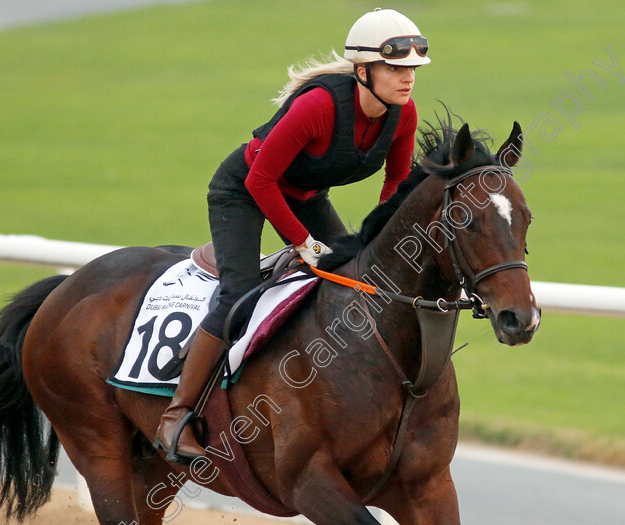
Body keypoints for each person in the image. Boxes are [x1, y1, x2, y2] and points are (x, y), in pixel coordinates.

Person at [154, 8, 431, 463]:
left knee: (353, 279)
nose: (408, 79)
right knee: (237, 293)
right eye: (396, 68)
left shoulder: (403, 114)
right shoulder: (318, 105)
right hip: (243, 190)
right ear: (363, 71)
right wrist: (304, 242)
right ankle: (176, 416)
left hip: (304, 193)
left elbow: (395, 188)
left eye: (412, 70)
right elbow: (260, 181)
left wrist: (379, 244)